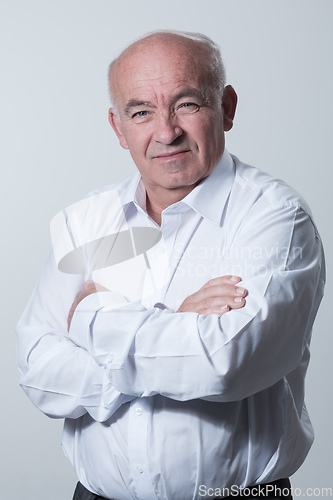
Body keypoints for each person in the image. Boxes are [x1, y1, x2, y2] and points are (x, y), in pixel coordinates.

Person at [16, 30, 325, 500]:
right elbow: (39, 372)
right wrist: (177, 321)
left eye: (187, 105)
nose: (166, 132)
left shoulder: (275, 216)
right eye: (141, 112)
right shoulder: (86, 222)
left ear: (226, 107)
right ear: (119, 128)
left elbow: (225, 363)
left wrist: (90, 317)